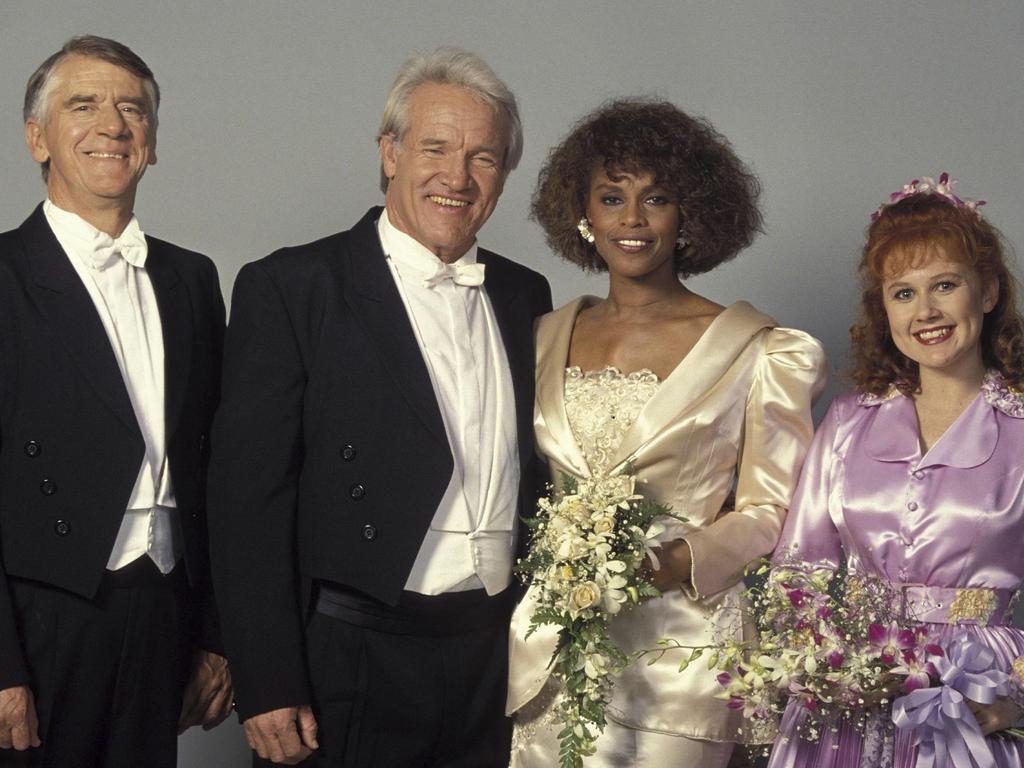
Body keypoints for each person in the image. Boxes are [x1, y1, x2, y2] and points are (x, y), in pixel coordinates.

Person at [207, 48, 552, 767]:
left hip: (495, 651)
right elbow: (248, 504)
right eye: (435, 148)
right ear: (389, 152)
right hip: (350, 654)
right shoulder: (294, 286)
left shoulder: (525, 295)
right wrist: (268, 680)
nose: (457, 177)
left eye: (483, 157)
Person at [506, 99, 826, 767]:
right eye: (611, 196)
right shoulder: (542, 335)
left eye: (656, 198)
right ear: (582, 213)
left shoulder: (759, 349)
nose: (631, 218)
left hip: (680, 661)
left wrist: (673, 563)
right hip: (553, 651)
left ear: (689, 215)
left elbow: (770, 512)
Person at [0, 35, 232, 767]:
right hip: (39, 619)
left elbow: (216, 471)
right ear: (37, 138)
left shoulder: (191, 280)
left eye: (131, 109)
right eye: (84, 105)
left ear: (152, 143)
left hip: (160, 608)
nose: (113, 124)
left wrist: (217, 634)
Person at [767, 176, 1024, 767]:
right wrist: (818, 658)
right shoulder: (850, 420)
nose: (926, 311)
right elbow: (798, 567)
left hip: (976, 692)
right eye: (903, 293)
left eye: (945, 285)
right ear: (883, 310)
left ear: (986, 293)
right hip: (846, 692)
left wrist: (1011, 700)